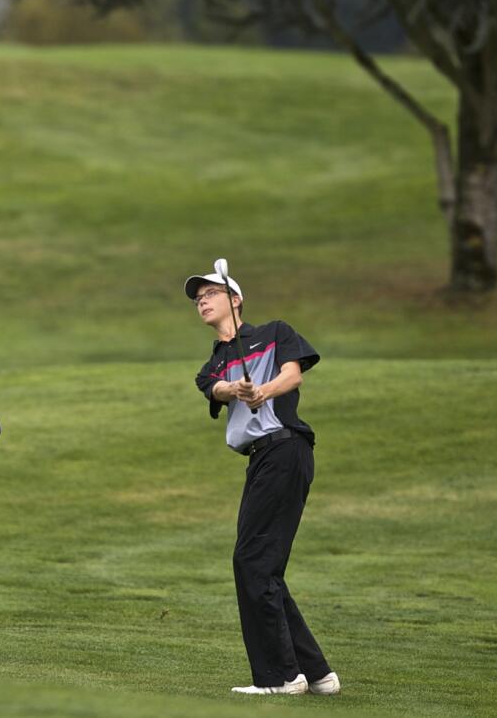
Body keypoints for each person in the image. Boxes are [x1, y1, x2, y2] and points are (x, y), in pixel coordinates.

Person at [185, 267, 340, 696]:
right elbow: (214, 388)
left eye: (212, 292)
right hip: (262, 460)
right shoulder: (212, 364)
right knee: (261, 565)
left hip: (285, 449)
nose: (202, 300)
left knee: (252, 562)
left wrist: (263, 390)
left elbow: (294, 375)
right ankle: (317, 673)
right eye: (198, 297)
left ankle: (281, 678)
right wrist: (234, 388)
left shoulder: (275, 333)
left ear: (236, 299)